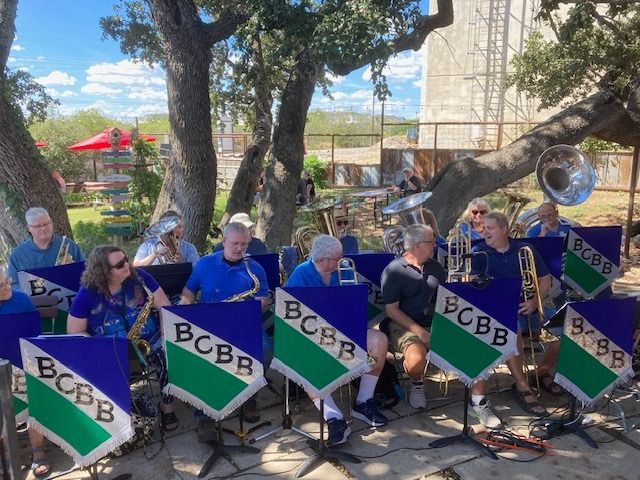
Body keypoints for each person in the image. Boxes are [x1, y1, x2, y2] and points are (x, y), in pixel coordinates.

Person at [286, 235, 389, 447]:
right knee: (301, 362)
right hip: (312, 338)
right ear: (322, 259)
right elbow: (288, 311)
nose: (342, 260)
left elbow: (355, 306)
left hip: (344, 332)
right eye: (337, 258)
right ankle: (334, 418)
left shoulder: (344, 270)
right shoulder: (301, 274)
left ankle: (363, 401)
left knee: (379, 340)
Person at [66, 246, 178, 431]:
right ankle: (120, 416)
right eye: (119, 264)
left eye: (126, 259)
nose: (127, 265)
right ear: (104, 271)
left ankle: (167, 408)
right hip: (111, 347)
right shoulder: (88, 293)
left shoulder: (140, 278)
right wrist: (100, 350)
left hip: (149, 339)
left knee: (166, 359)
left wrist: (166, 334)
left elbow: (165, 307)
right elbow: (75, 331)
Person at [181, 222, 271, 433]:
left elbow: (264, 299)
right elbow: (188, 291)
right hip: (209, 325)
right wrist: (188, 308)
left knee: (266, 349)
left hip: (243, 325)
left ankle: (249, 394)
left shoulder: (254, 268)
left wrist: (253, 305)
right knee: (201, 356)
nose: (240, 248)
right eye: (235, 244)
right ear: (223, 242)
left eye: (245, 244)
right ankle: (204, 414)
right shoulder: (204, 264)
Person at [470, 212, 551, 416]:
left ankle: (541, 374)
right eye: (483, 228)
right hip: (493, 310)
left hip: (527, 307)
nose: (484, 231)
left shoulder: (525, 249)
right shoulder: (479, 251)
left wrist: (534, 301)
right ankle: (522, 384)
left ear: (504, 229)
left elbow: (545, 278)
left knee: (566, 327)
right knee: (511, 328)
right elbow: (472, 285)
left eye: (490, 228)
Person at [0, 266, 50, 477]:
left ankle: (38, 451)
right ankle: (8, 457)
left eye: (5, 282)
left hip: (25, 363)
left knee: (34, 399)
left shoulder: (22, 300)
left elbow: (34, 336)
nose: (5, 288)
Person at [8, 207, 85, 289]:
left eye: (46, 224)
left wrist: (74, 269)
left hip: (69, 297)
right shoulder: (18, 254)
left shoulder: (68, 245)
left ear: (51, 223)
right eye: (38, 226)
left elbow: (86, 273)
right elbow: (14, 286)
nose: (44, 228)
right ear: (29, 228)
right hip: (34, 300)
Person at [133, 210, 199, 266]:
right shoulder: (148, 245)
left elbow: (196, 271)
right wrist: (154, 255)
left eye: (182, 227)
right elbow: (135, 266)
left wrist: (181, 263)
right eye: (178, 227)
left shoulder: (189, 248)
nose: (182, 230)